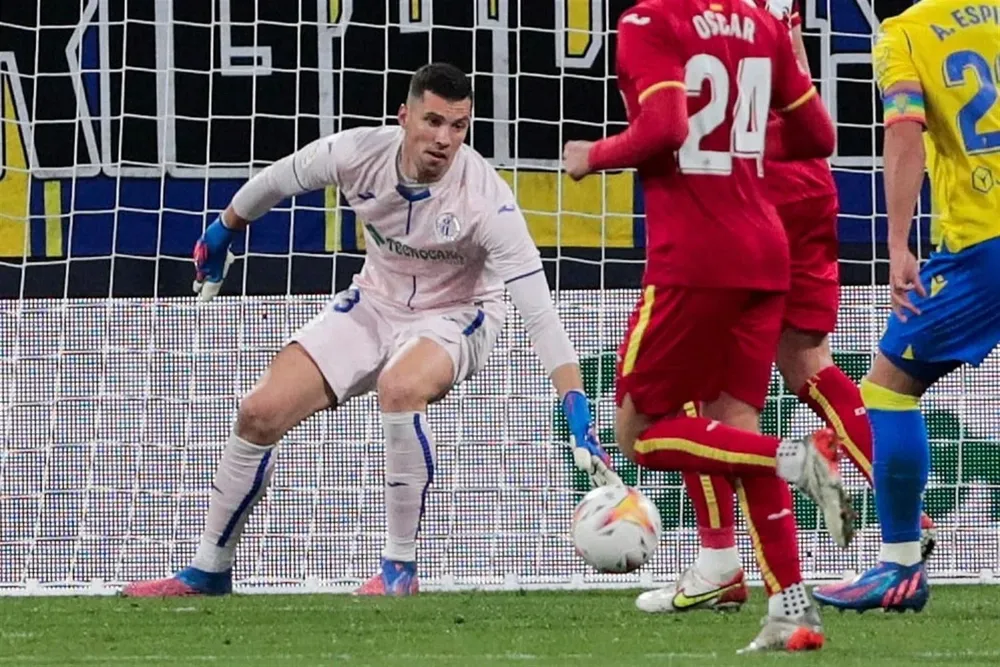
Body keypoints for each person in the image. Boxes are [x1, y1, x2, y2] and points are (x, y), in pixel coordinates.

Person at [121, 63, 618, 598]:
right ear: (404, 118)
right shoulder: (357, 153)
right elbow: (279, 178)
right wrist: (222, 230)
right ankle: (209, 569)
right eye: (432, 122)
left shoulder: (487, 201)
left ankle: (399, 569)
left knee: (400, 388)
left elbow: (539, 313)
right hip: (375, 300)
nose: (444, 139)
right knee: (258, 413)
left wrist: (575, 404)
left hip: (459, 313)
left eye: (458, 127)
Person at [634, 0, 937, 616]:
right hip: (804, 178)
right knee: (806, 361)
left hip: (732, 187)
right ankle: (905, 516)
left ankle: (720, 561)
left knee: (689, 389)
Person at [563, 0, 848, 653]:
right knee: (729, 426)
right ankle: (793, 610)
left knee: (640, 434)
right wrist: (738, 146)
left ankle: (794, 457)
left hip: (695, 258)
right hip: (766, 251)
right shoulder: (763, 24)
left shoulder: (649, 22)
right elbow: (818, 137)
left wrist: (593, 154)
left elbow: (663, 126)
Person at [813, 0, 1000, 613]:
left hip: (982, 242)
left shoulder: (905, 33)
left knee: (889, 387)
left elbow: (904, 130)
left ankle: (898, 567)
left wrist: (897, 243)